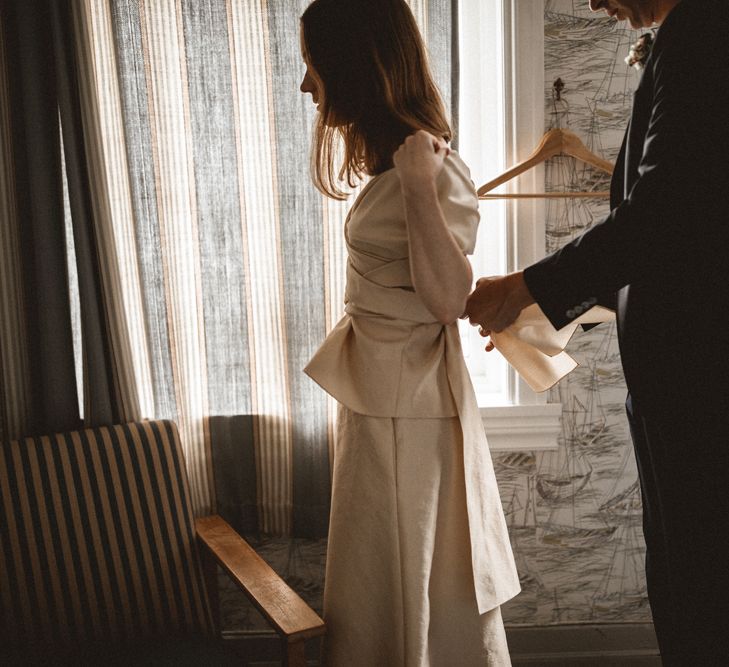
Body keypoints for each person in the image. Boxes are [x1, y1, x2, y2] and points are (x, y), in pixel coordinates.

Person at [462, 0, 729, 663]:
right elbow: (684, 243)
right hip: (680, 380)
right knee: (680, 573)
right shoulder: (687, 33)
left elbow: (662, 218)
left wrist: (524, 285)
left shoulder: (703, 30)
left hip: (700, 385)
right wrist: (537, 313)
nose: (589, 2)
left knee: (699, 583)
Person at [299, 0, 520, 664]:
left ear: (354, 65)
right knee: (377, 583)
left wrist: (422, 187)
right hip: (380, 398)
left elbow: (449, 296)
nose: (307, 84)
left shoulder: (431, 168)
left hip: (411, 413)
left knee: (413, 582)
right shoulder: (391, 164)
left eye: (313, 66)